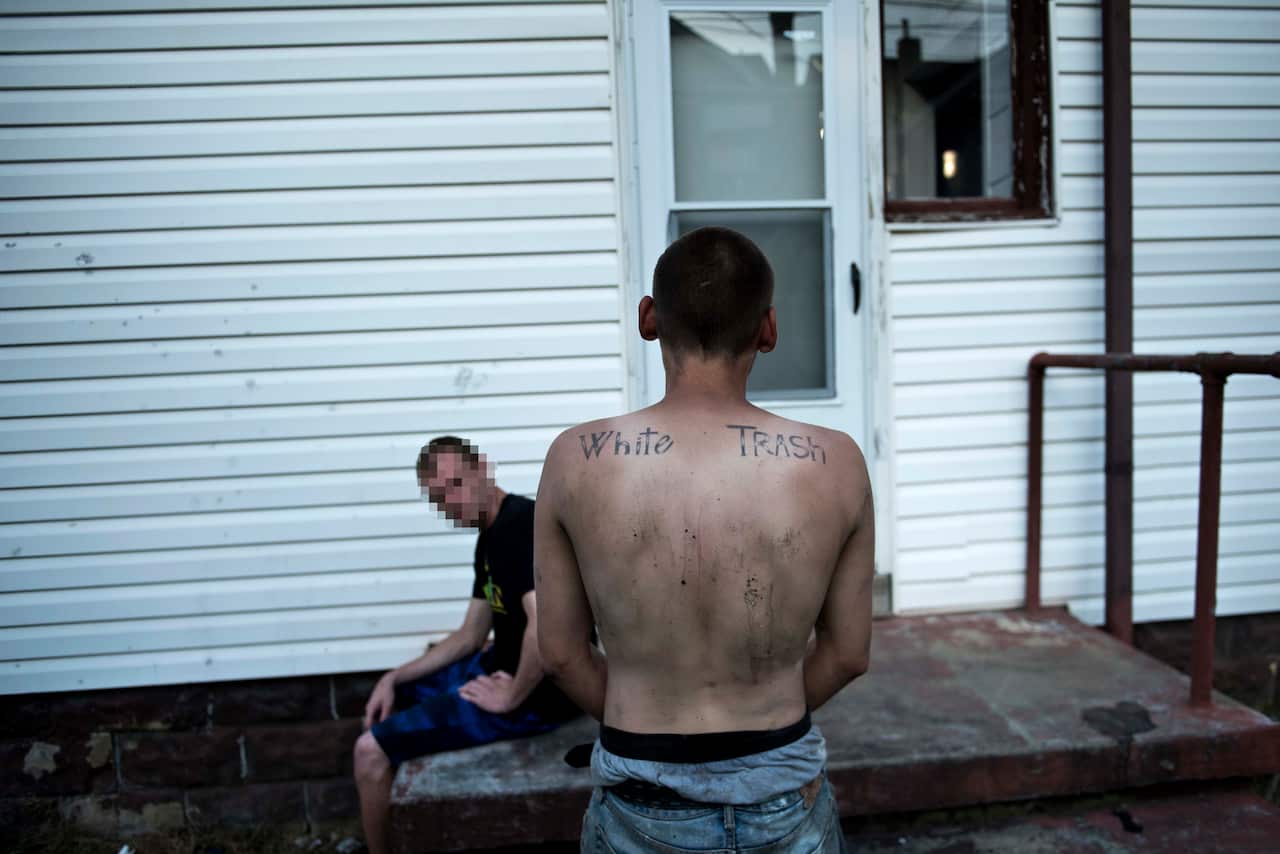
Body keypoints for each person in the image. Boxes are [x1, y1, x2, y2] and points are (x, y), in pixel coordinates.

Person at [535, 227, 874, 852]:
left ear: (648, 318)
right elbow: (849, 654)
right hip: (782, 787)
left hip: (638, 792)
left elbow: (558, 655)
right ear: (768, 329)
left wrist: (648, 722)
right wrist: (757, 719)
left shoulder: (575, 459)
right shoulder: (837, 463)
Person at [353, 437, 583, 854]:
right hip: (500, 667)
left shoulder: (518, 527)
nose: (452, 503)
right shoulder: (491, 535)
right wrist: (393, 677)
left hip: (538, 698)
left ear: (483, 468)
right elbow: (470, 635)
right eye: (439, 498)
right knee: (398, 696)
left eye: (457, 484)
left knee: (369, 752)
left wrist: (511, 697)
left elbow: (545, 624)